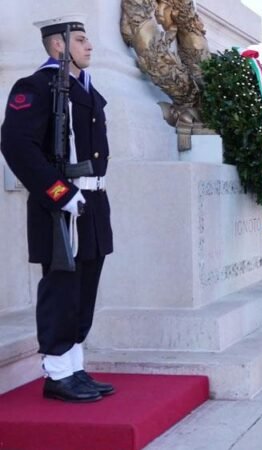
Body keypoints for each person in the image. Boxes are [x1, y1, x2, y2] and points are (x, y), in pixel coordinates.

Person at [0, 14, 114, 402]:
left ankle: (74, 368)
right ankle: (56, 373)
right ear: (58, 45)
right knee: (61, 288)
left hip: (92, 203)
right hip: (60, 204)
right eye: (80, 39)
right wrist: (59, 193)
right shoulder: (36, 86)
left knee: (85, 288)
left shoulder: (85, 88)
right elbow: (16, 145)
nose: (90, 46)